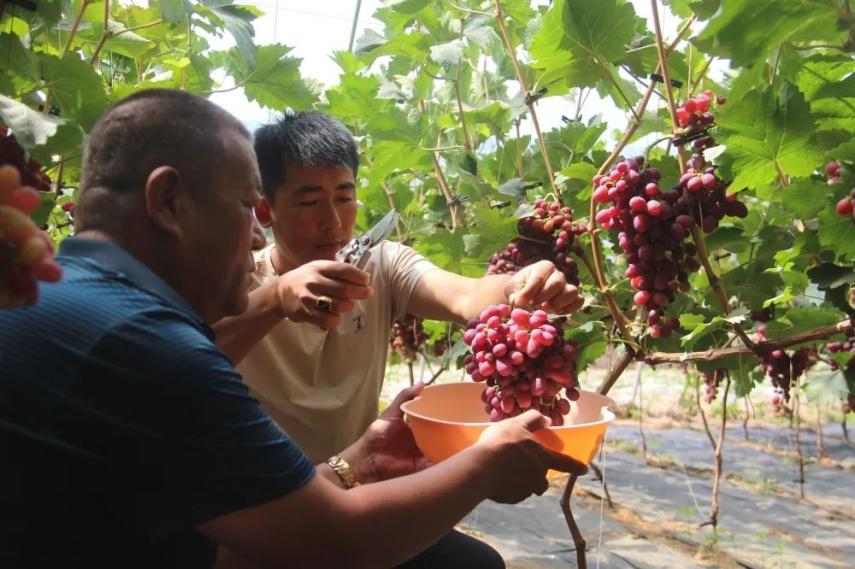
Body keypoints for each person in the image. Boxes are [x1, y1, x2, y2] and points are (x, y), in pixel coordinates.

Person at [0, 89, 587, 569]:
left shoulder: (50, 292)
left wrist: (517, 291)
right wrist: (486, 463)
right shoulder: (148, 344)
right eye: (245, 208)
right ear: (169, 202)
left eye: (345, 197)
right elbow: (341, 545)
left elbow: (466, 296)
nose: (255, 235)